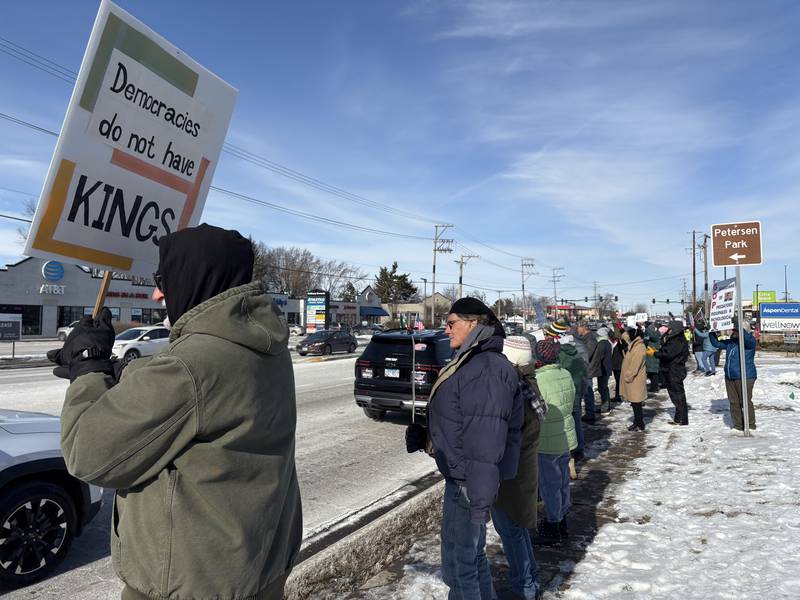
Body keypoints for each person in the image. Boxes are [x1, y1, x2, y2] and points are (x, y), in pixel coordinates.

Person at [48, 224, 302, 600]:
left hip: (189, 582)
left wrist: (87, 369)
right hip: (256, 569)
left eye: (163, 278)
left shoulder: (189, 366)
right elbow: (205, 404)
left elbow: (87, 453)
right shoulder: (264, 346)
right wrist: (127, 376)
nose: (156, 293)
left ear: (195, 277)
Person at [407, 297, 522, 599]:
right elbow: (461, 418)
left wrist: (479, 505)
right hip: (462, 478)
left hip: (468, 484)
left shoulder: (485, 368)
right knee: (470, 559)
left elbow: (486, 441)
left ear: (474, 324)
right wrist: (427, 435)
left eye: (451, 323)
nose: (445, 330)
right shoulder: (471, 361)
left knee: (460, 566)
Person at [493, 336, 547, 600]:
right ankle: (530, 578)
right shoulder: (528, 385)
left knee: (511, 531)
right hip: (522, 475)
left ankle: (524, 588)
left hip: (511, 479)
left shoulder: (513, 389)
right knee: (518, 530)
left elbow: (506, 437)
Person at [534, 338, 577, 546]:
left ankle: (553, 527)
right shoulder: (565, 374)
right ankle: (562, 522)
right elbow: (572, 400)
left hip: (547, 439)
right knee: (562, 483)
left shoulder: (538, 380)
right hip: (565, 436)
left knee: (549, 485)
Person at [709, 319, 757, 431]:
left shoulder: (750, 342)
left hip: (745, 376)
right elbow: (716, 343)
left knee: (745, 401)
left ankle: (750, 425)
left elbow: (747, 338)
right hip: (730, 376)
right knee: (734, 402)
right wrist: (711, 331)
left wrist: (737, 324)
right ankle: (738, 425)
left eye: (735, 330)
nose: (732, 331)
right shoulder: (731, 342)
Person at [650, 320, 690, 425]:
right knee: (676, 395)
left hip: (674, 370)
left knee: (678, 395)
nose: (669, 330)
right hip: (673, 370)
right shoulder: (676, 339)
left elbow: (668, 353)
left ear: (675, 329)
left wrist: (655, 353)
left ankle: (682, 419)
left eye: (670, 328)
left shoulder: (677, 340)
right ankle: (679, 418)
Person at [557, 333, 588, 467]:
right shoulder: (578, 357)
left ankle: (569, 450)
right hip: (577, 393)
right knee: (577, 422)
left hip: (565, 394)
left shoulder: (560, 357)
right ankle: (579, 450)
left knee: (567, 425)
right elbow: (584, 376)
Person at [620, 328, 647, 431]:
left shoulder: (639, 347)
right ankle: (637, 422)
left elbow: (635, 365)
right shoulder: (635, 343)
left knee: (636, 403)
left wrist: (628, 376)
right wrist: (621, 329)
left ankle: (640, 423)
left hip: (635, 380)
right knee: (634, 403)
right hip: (633, 380)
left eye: (630, 334)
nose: (628, 335)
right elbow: (627, 338)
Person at [574, 321, 598, 423]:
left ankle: (590, 414)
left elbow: (587, 354)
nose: (577, 330)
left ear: (583, 328)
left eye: (578, 328)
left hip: (587, 370)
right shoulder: (585, 338)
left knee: (588, 392)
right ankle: (589, 412)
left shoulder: (590, 338)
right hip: (583, 369)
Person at [590, 326, 613, 413]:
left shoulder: (602, 343)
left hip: (603, 369)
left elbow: (597, 357)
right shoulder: (607, 342)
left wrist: (591, 367)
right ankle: (605, 406)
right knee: (603, 388)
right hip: (605, 368)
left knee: (602, 388)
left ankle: (605, 407)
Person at [643, 321, 662, 393]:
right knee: (653, 372)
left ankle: (654, 387)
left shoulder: (653, 335)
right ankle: (654, 386)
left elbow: (648, 339)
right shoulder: (657, 333)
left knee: (653, 372)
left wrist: (646, 332)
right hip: (652, 354)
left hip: (652, 354)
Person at [611, 327, 626, 403]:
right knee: (618, 381)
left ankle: (621, 395)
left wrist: (621, 339)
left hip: (620, 364)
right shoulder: (613, 342)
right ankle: (618, 395)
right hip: (614, 364)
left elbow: (624, 348)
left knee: (620, 381)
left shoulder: (621, 342)